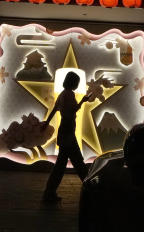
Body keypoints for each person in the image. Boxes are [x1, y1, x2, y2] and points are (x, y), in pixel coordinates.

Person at [40, 71, 94, 203]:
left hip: (64, 131)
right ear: (73, 83)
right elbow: (73, 110)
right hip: (68, 130)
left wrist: (46, 123)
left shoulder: (63, 94)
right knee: (77, 164)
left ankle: (49, 192)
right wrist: (83, 101)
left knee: (62, 164)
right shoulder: (70, 94)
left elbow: (54, 110)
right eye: (77, 82)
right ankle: (91, 190)